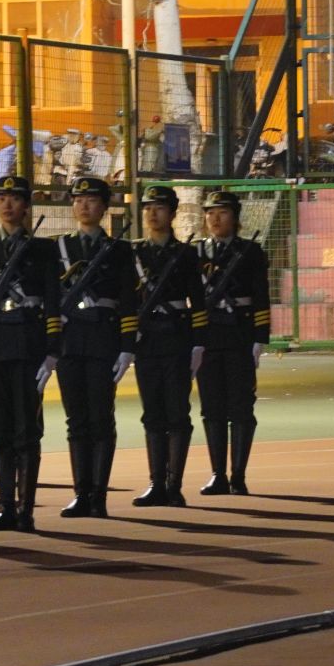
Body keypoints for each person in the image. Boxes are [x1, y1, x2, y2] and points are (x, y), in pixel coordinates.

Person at [0, 174, 61, 532]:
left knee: (26, 429)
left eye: (15, 198)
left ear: (26, 205)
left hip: (27, 342)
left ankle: (25, 509)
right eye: (1, 198)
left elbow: (53, 301)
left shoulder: (43, 249)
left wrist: (52, 349)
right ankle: (6, 506)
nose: (7, 204)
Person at [52, 176, 137, 519]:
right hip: (71, 340)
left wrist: (127, 345)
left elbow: (129, 300)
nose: (83, 205)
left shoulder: (119, 250)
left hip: (103, 338)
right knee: (76, 419)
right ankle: (80, 493)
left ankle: (98, 494)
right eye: (77, 199)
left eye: (90, 200)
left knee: (101, 417)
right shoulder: (59, 247)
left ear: (104, 207)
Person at [131, 185, 208, 508]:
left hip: (177, 337)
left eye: (159, 207)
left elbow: (198, 302)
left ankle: (174, 485)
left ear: (172, 213)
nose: (152, 213)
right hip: (147, 340)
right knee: (152, 413)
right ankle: (156, 483)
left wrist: (198, 343)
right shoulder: (135, 253)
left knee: (177, 412)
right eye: (148, 207)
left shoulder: (186, 254)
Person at [197, 189, 271, 496]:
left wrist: (259, 338)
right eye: (210, 213)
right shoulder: (197, 252)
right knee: (211, 407)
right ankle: (218, 474)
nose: (215, 219)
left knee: (241, 406)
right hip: (208, 336)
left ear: (235, 217)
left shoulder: (250, 252)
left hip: (240, 334)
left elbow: (261, 296)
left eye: (222, 213)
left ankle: (238, 475)